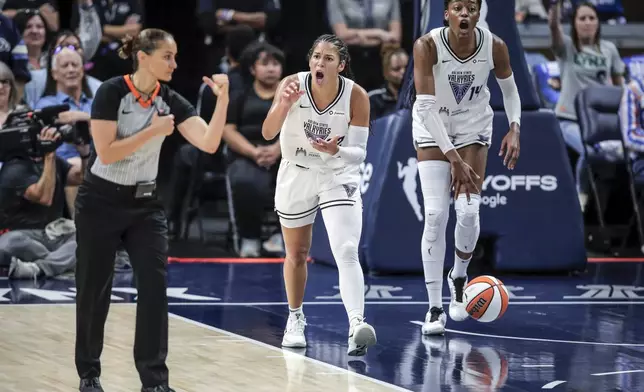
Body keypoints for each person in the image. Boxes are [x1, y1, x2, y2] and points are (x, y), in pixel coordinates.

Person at [74, 28, 229, 392]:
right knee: (93, 289)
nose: (175, 63)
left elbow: (208, 142)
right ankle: (89, 374)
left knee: (155, 288)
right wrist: (153, 130)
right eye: (167, 56)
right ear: (143, 57)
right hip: (100, 202)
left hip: (145, 206)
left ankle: (154, 381)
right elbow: (107, 152)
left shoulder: (170, 99)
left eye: (175, 57)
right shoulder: (111, 92)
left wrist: (222, 101)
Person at [410, 0, 521, 335]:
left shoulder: (495, 46)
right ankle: (433, 307)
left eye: (471, 8)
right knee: (435, 215)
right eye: (457, 7)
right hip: (432, 127)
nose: (464, 13)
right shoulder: (426, 46)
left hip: (473, 127)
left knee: (469, 211)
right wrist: (453, 158)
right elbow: (426, 108)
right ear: (447, 14)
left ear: (478, 14)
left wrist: (515, 128)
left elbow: (511, 92)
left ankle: (459, 275)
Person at [262, 34, 376, 356]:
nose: (319, 63)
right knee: (297, 253)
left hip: (335, 171)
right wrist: (284, 104)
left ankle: (356, 325)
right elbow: (268, 132)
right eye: (316, 56)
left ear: (341, 65)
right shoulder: (291, 85)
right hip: (296, 170)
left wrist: (336, 149)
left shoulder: (356, 97)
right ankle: (295, 318)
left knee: (346, 249)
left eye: (328, 58)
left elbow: (359, 153)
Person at [549, 0, 625, 211]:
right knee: (588, 151)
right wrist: (554, 8)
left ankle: (606, 213)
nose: (587, 22)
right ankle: (579, 195)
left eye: (592, 18)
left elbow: (620, 88)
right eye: (582, 18)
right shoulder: (567, 47)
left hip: (600, 123)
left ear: (598, 23)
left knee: (616, 162)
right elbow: (554, 28)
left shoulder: (609, 49)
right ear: (574, 23)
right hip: (568, 119)